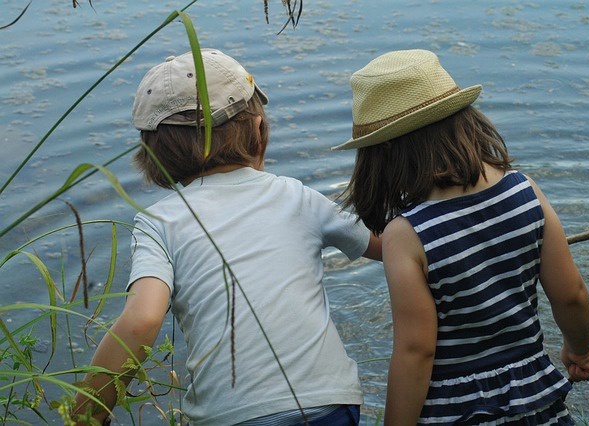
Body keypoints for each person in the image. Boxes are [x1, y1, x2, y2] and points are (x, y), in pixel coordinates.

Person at [73, 48, 381, 425]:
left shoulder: (159, 221)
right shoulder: (297, 196)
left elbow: (141, 321)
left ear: (152, 154)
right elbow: (393, 244)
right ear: (258, 129)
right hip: (327, 402)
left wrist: (83, 416)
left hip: (230, 416)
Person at [333, 49, 589, 425]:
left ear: (383, 153)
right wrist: (580, 350)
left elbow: (416, 351)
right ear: (464, 121)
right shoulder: (525, 191)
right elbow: (571, 294)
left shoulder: (405, 235)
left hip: (455, 411)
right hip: (534, 399)